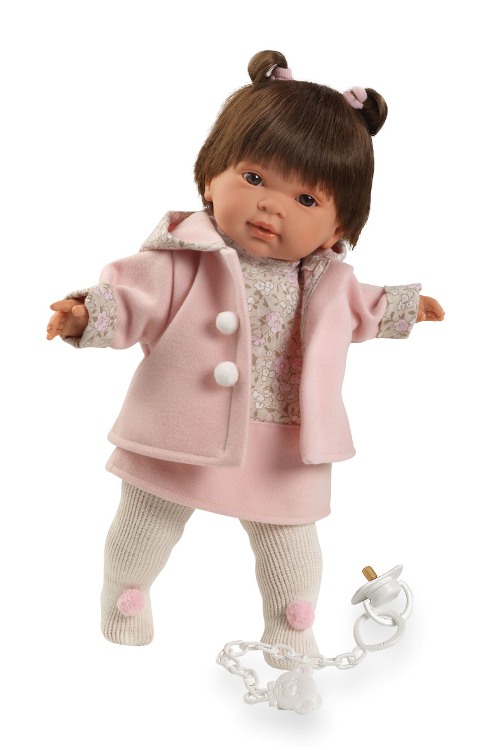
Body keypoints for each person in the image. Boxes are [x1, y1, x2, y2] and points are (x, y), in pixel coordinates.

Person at [47, 50, 444, 668]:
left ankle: (291, 631)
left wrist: (404, 308)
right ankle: (125, 601)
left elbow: (363, 308)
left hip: (285, 442)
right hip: (181, 428)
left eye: (306, 198)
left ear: (339, 226)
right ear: (211, 178)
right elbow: (132, 300)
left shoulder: (327, 281)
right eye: (255, 179)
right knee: (146, 520)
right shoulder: (181, 259)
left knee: (291, 545)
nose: (272, 206)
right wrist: (87, 313)